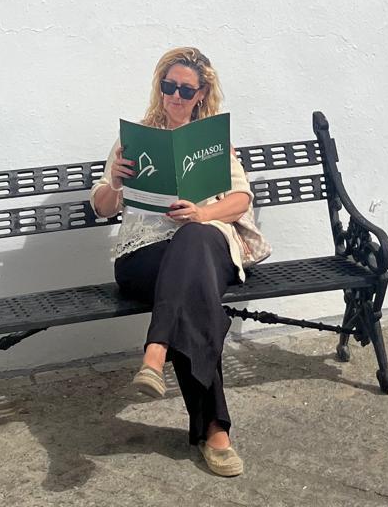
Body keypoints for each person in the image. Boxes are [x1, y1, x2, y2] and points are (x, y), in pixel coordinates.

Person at [91, 46, 266, 478]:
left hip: (206, 247)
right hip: (143, 257)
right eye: (168, 86)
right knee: (196, 295)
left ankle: (156, 352)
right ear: (160, 86)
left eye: (185, 90)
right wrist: (115, 179)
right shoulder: (134, 139)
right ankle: (216, 433)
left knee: (192, 240)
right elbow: (101, 207)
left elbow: (242, 199)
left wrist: (202, 213)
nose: (175, 96)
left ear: (202, 93)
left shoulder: (212, 143)